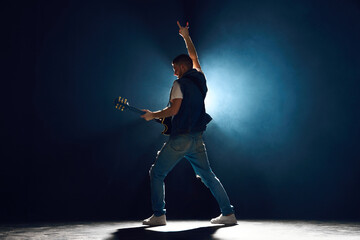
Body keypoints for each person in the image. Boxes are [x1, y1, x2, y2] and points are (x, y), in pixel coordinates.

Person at [140, 21, 237, 226]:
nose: (174, 72)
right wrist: (186, 36)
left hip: (181, 138)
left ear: (182, 67)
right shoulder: (200, 78)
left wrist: (152, 115)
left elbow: (173, 110)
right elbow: (195, 57)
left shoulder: (179, 84)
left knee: (156, 173)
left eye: (175, 68)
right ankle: (228, 214)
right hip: (197, 138)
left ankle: (159, 215)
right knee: (208, 175)